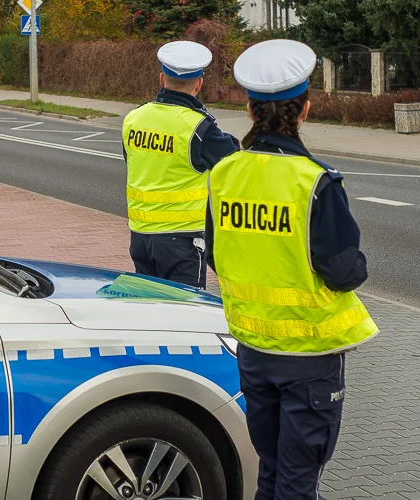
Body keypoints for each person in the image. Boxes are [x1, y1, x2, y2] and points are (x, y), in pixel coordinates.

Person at [205, 39, 380, 500]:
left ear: (249, 109)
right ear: (305, 109)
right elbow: (344, 271)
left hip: (253, 349)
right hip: (309, 358)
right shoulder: (315, 180)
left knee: (272, 471)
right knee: (299, 482)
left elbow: (215, 256)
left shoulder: (224, 174)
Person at [123, 41, 239, 289]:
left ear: (162, 79)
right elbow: (234, 161)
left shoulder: (134, 118)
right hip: (181, 240)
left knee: (149, 309)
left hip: (140, 237)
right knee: (186, 316)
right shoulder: (199, 128)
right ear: (199, 84)